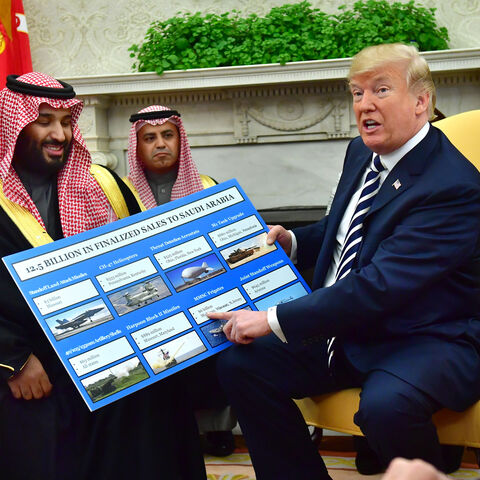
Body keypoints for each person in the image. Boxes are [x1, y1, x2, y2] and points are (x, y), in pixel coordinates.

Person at [208, 42, 480, 480]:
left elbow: (378, 285)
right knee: (242, 364)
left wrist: (271, 318)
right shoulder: (362, 152)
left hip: (422, 338)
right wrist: (294, 241)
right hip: (349, 330)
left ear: (421, 102)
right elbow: (348, 231)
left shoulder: (452, 187)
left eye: (380, 90)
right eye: (356, 93)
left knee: (386, 407)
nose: (364, 105)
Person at [0, 73, 206, 480]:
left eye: (65, 121)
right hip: (34, 363)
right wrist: (13, 360)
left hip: (117, 348)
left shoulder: (103, 184)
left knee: (157, 409)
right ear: (14, 123)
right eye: (44, 121)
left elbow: (147, 259)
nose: (59, 134)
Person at [125, 105, 236, 456]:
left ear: (180, 140)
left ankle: (217, 429)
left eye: (168, 135)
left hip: (203, 292)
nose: (160, 144)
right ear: (137, 146)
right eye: (150, 138)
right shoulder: (120, 193)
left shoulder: (207, 187)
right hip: (149, 301)